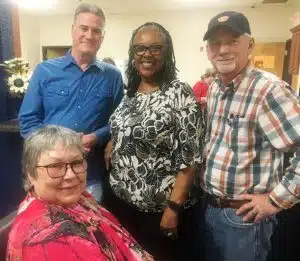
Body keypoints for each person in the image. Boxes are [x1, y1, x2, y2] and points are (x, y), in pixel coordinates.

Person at [198, 11, 300, 261]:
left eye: (232, 41)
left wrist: (276, 200)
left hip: (243, 219)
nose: (222, 50)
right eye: (215, 43)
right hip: (210, 207)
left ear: (250, 45)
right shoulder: (215, 89)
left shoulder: (269, 90)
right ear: (208, 50)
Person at [104, 22, 205, 260]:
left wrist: (173, 209)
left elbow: (190, 159)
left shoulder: (179, 92)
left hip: (160, 212)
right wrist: (114, 141)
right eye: (140, 48)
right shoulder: (131, 92)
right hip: (123, 206)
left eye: (155, 48)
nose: (146, 54)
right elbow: (130, 128)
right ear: (132, 54)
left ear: (167, 53)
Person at [18, 3, 124, 203]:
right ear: (73, 30)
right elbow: (28, 120)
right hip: (48, 175)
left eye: (96, 31)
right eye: (84, 28)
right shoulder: (45, 71)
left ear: (102, 37)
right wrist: (57, 146)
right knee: (48, 229)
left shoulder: (113, 77)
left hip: (89, 176)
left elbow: (119, 123)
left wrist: (96, 137)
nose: (89, 35)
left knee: (87, 230)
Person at [6, 126, 153, 261]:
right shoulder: (50, 241)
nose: (70, 175)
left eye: (76, 163)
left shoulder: (78, 199)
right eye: (55, 166)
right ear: (30, 173)